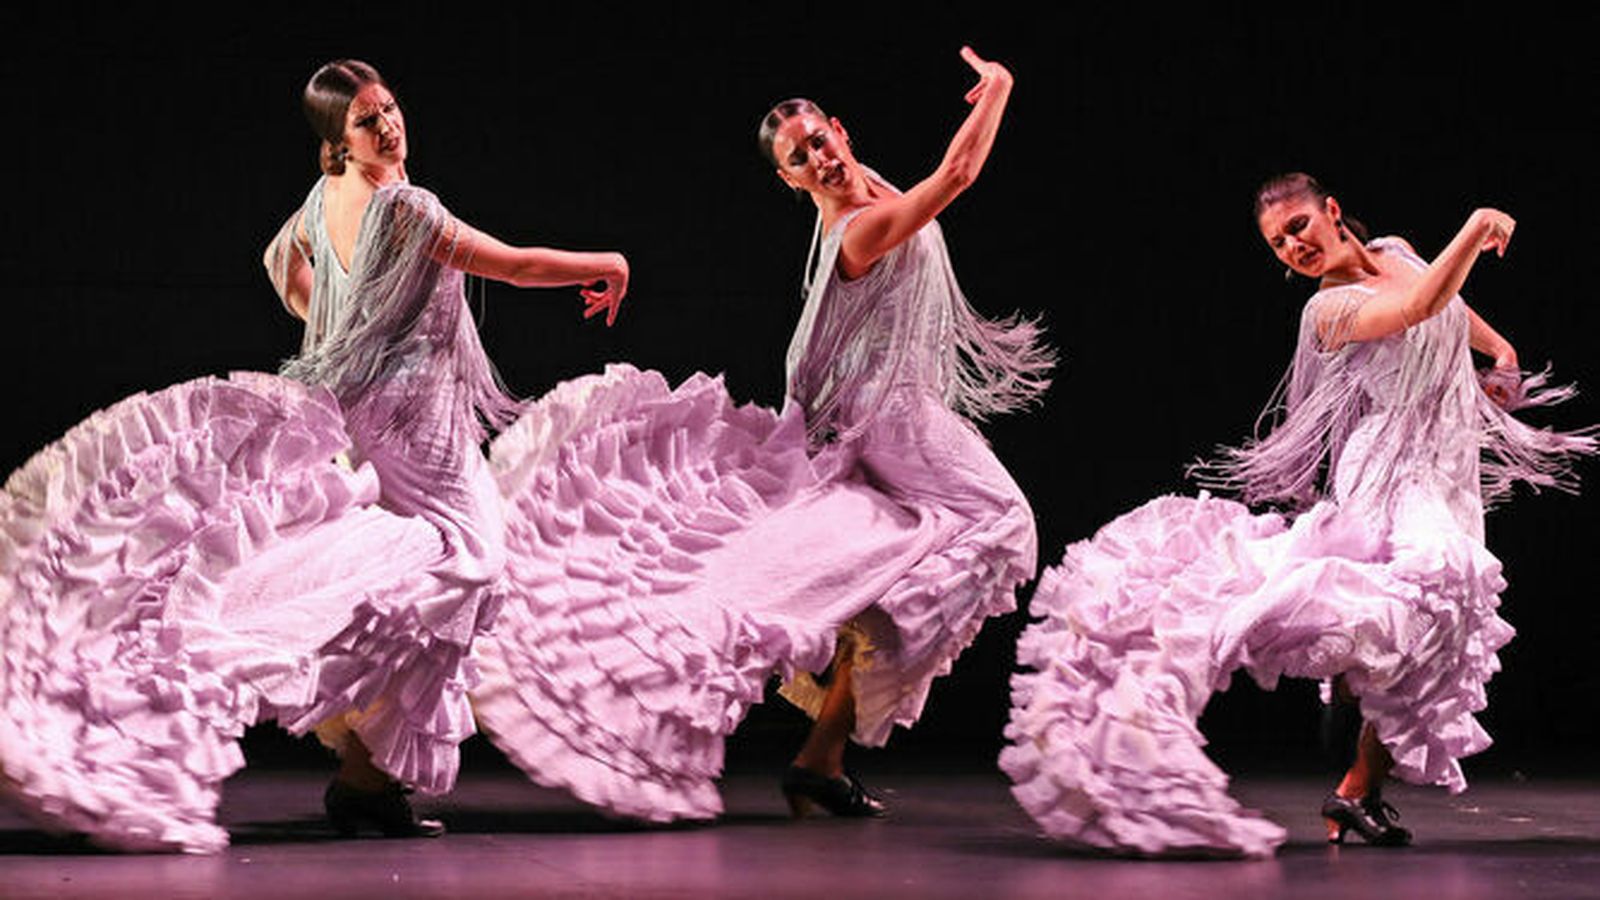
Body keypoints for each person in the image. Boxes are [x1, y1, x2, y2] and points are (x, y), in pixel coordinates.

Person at [0, 58, 628, 852]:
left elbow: (279, 263)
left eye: (390, 107)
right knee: (468, 566)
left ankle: (368, 779)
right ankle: (351, 750)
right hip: (415, 422)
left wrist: (337, 331)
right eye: (367, 121)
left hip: (372, 412)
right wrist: (611, 264)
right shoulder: (406, 206)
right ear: (339, 140)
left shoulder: (323, 197)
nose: (388, 125)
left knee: (436, 574)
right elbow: (510, 263)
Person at [467, 46, 1051, 822]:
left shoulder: (871, 191)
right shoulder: (858, 228)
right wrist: (999, 90)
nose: (818, 157)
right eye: (799, 157)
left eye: (819, 140)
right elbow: (956, 179)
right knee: (1003, 523)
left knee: (890, 577)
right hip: (897, 423)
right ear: (791, 179)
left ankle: (821, 757)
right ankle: (686, 679)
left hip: (888, 415)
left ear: (841, 132)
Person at [1001, 173, 1594, 858]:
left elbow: (1450, 304)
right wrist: (1476, 224)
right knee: (1442, 577)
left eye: (1300, 227)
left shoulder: (1398, 250)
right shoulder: (1327, 312)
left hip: (1447, 464)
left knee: (1444, 623)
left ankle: (1356, 791)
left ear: (1333, 211)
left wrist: (1503, 356)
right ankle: (1335, 667)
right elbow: (1422, 307)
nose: (1292, 246)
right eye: (1278, 242)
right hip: (1389, 470)